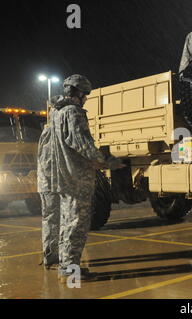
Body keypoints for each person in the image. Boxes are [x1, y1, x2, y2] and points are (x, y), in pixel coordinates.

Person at [37, 74, 124, 283]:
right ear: (79, 93)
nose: (85, 99)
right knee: (75, 224)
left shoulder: (55, 114)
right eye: (85, 95)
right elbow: (83, 145)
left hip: (58, 176)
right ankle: (69, 271)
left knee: (60, 221)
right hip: (75, 177)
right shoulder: (73, 113)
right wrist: (109, 162)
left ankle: (54, 260)